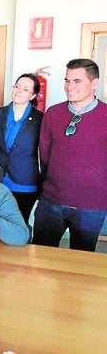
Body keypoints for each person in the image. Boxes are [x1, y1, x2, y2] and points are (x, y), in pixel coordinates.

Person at [33, 59, 107, 252]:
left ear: (93, 83)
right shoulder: (54, 113)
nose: (69, 87)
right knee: (40, 257)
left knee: (81, 263)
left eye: (76, 81)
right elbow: (45, 154)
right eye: (67, 80)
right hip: (52, 199)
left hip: (91, 205)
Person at [0, 73, 43, 225]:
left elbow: (45, 154)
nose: (18, 91)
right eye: (17, 86)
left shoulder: (40, 119)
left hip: (24, 182)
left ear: (33, 95)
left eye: (25, 89)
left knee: (19, 225)